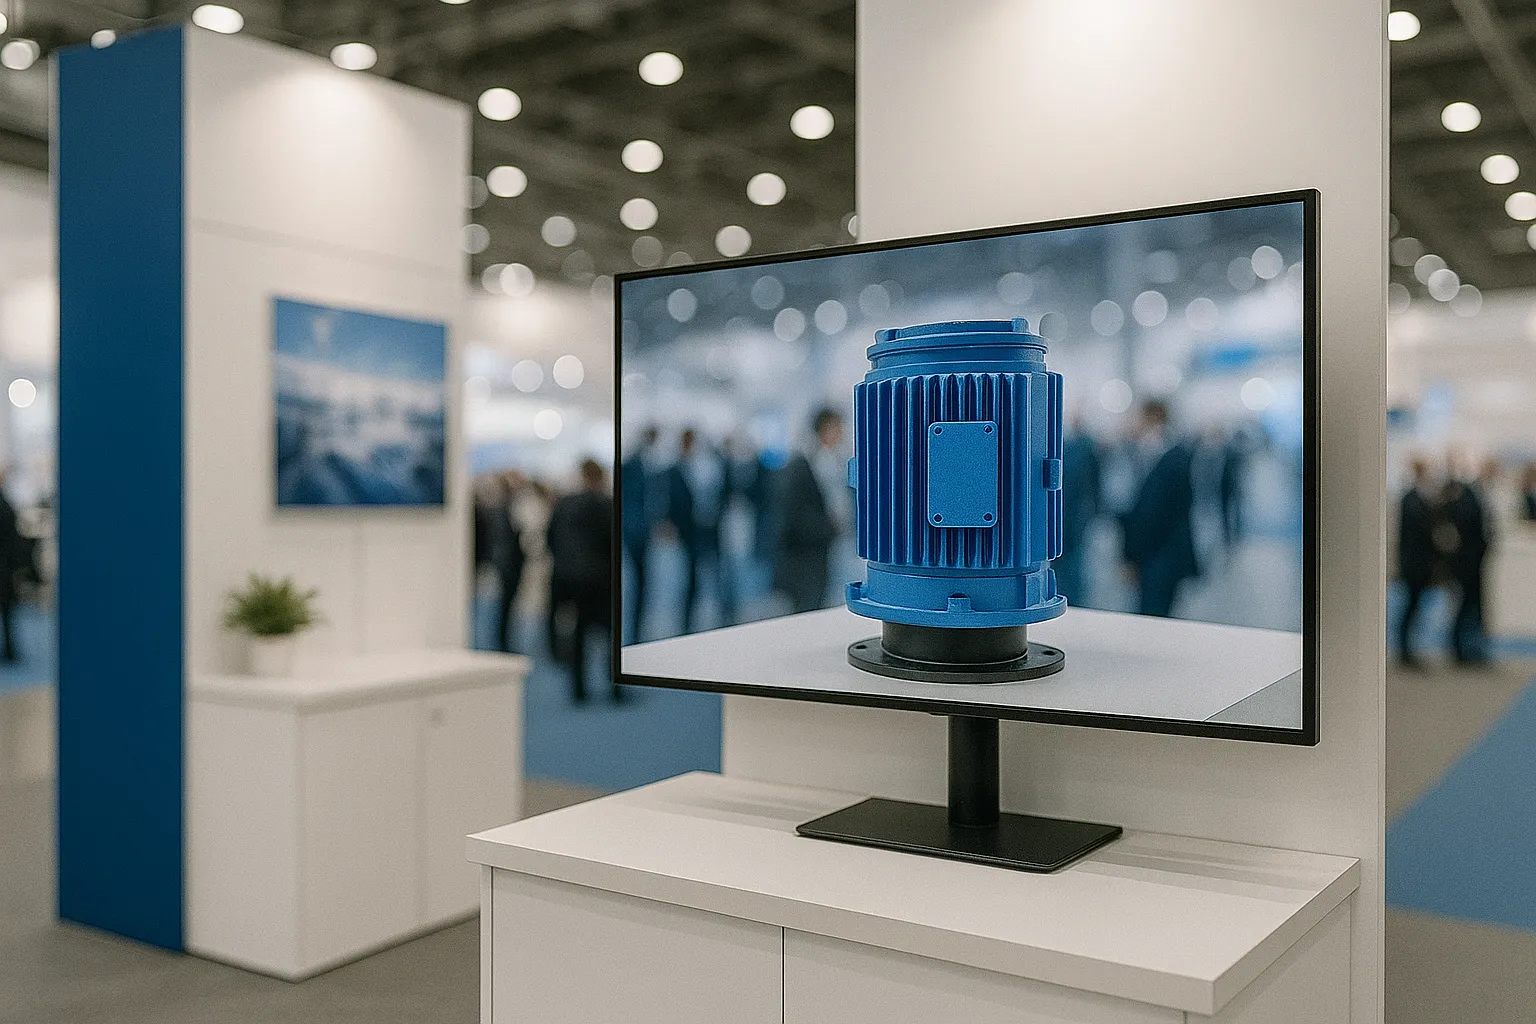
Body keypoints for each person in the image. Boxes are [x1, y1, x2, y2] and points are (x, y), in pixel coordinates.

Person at [546, 460, 617, 702]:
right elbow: (613, 543)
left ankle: (578, 688)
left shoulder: (565, 503)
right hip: (600, 578)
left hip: (571, 578)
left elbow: (551, 538)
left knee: (578, 633)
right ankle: (615, 687)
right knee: (609, 634)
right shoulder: (607, 504)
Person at [1120, 401, 1198, 618]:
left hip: (1156, 556)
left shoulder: (1164, 458)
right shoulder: (1176, 454)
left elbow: (1149, 513)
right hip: (1166, 554)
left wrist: (1132, 556)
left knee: (1152, 616)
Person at [774, 408, 847, 613]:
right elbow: (796, 513)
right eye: (837, 427)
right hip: (806, 552)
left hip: (824, 545)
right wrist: (828, 527)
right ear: (825, 429)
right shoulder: (803, 463)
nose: (842, 432)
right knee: (808, 604)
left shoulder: (831, 460)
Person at [662, 428, 732, 633]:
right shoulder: (677, 469)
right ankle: (687, 620)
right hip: (690, 531)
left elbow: (725, 493)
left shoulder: (714, 465)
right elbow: (673, 499)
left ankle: (724, 614)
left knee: (718, 572)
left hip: (712, 529)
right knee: (691, 576)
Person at [1445, 459, 1496, 665]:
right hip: (1467, 563)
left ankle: (1469, 649)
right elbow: (1467, 531)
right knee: (1466, 605)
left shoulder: (1477, 496)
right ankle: (1461, 649)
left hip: (1475, 562)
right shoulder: (1468, 497)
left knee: (1471, 605)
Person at [1396, 457, 1437, 669]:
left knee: (1414, 607)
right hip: (1413, 564)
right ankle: (1404, 650)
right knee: (1410, 607)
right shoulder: (1411, 500)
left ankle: (1408, 649)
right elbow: (1417, 534)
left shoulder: (1419, 499)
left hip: (1419, 564)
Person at [620, 427, 659, 643]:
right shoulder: (633, 464)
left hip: (642, 529)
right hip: (635, 530)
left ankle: (638, 628)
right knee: (638, 580)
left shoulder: (648, 464)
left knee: (643, 581)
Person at [1056, 420, 1101, 605]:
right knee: (1064, 565)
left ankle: (1074, 602)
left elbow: (1092, 483)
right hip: (1064, 516)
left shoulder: (1083, 447)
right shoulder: (1073, 448)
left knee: (1073, 565)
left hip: (1075, 517)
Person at [490, 471, 527, 654]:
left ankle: (503, 638)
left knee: (507, 603)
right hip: (508, 563)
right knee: (505, 603)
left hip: (509, 561)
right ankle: (502, 640)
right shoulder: (505, 507)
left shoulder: (507, 505)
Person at [0, 472, 20, 662]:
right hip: (5, 569)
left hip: (3, 568)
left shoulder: (5, 506)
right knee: (7, 614)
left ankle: (10, 651)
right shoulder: (7, 506)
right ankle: (10, 651)